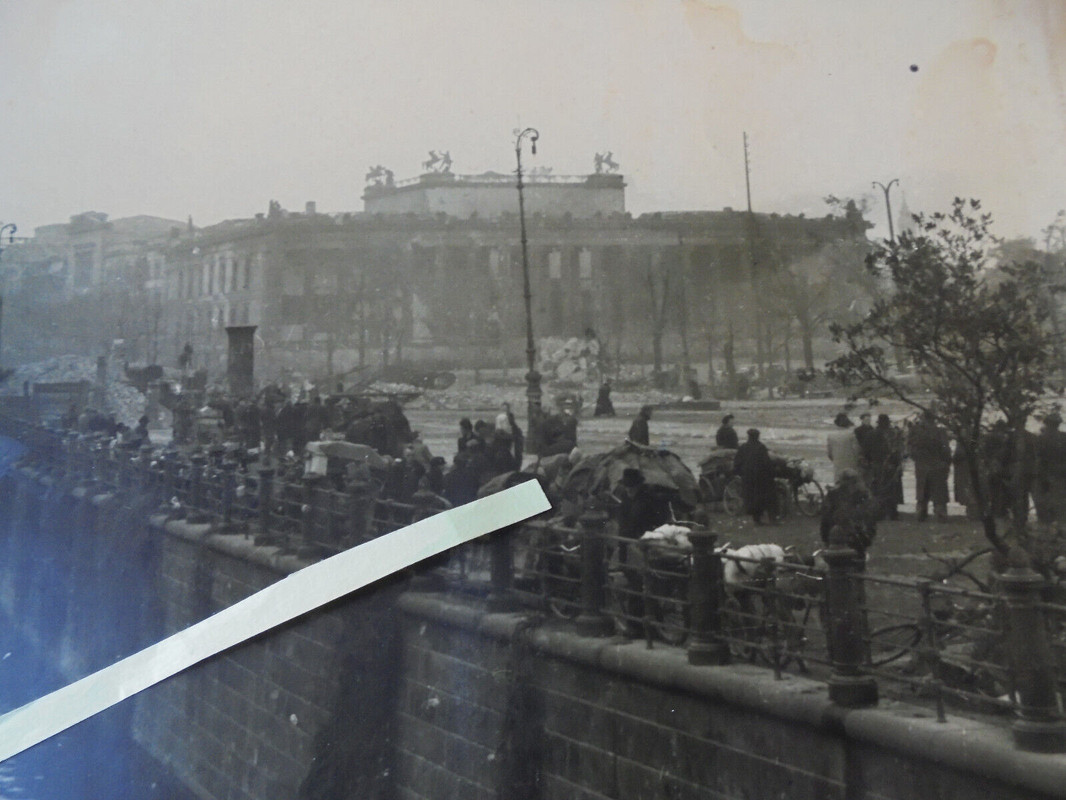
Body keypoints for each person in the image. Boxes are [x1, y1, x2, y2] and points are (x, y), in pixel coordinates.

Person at [819, 468, 877, 556]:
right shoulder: (834, 495)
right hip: (844, 534)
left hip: (854, 535)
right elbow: (826, 519)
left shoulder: (862, 495)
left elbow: (870, 519)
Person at [907, 410, 952, 522]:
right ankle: (940, 513)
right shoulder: (940, 431)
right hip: (937, 464)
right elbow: (946, 449)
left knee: (922, 490)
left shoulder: (916, 431)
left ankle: (921, 512)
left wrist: (917, 458)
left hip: (922, 465)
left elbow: (910, 449)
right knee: (939, 492)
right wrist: (946, 462)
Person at [733, 428, 777, 524]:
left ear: (748, 436)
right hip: (761, 477)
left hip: (748, 478)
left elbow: (737, 463)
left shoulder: (743, 447)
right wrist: (772, 473)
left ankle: (756, 519)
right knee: (769, 496)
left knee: (752, 499)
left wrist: (739, 473)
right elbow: (767, 463)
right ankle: (772, 518)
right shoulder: (761, 447)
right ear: (758, 437)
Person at [869, 414, 904, 520]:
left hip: (877, 464)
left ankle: (879, 511)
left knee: (878, 488)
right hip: (892, 465)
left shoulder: (872, 433)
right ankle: (892, 512)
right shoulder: (894, 433)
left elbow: (866, 450)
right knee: (892, 488)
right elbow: (899, 450)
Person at [1035, 412, 1066, 526]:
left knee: (1045, 503)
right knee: (1061, 503)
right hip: (1061, 473)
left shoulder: (1041, 438)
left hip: (1045, 474)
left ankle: (1049, 529)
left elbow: (1037, 457)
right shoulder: (1064, 437)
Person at [827, 412, 861, 483]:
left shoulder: (831, 436)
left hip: (838, 463)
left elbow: (830, 454)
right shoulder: (851, 434)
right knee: (851, 482)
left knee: (838, 482)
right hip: (851, 463)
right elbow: (856, 450)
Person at [854, 412, 876, 485]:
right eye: (866, 420)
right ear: (862, 420)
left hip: (871, 454)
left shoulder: (873, 429)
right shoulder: (857, 430)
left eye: (869, 420)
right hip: (862, 454)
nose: (868, 421)